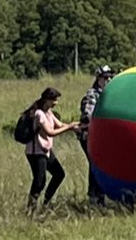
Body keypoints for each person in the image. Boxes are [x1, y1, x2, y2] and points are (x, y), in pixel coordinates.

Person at [24, 87, 80, 211]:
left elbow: (60, 125)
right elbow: (50, 132)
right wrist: (70, 127)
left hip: (46, 151)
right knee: (40, 181)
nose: (56, 103)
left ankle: (45, 203)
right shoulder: (39, 114)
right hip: (36, 153)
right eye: (54, 100)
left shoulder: (48, 112)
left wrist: (78, 125)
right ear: (47, 99)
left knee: (59, 174)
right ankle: (30, 209)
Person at [78, 65, 115, 205]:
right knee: (95, 165)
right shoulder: (92, 95)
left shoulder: (109, 94)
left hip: (102, 136)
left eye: (111, 77)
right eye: (105, 78)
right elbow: (89, 116)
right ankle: (95, 197)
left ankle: (101, 195)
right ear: (98, 78)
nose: (108, 80)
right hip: (89, 136)